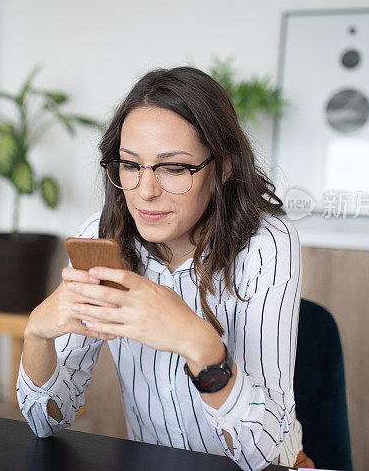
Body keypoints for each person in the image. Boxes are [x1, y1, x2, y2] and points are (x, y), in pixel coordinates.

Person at [17, 66, 313, 470]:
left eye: (174, 168)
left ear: (223, 166)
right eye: (130, 165)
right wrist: (36, 333)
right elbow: (44, 422)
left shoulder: (266, 243)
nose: (146, 191)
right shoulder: (101, 235)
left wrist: (195, 341)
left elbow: (261, 453)